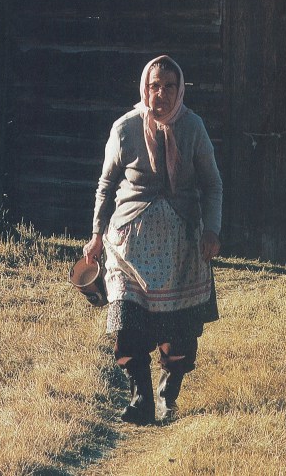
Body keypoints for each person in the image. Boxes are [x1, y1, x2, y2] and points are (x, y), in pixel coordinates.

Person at [83, 55, 222, 425]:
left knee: (179, 335)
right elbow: (106, 186)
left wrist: (212, 231)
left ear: (180, 90)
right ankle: (141, 398)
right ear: (144, 87)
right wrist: (97, 235)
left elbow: (212, 185)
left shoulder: (193, 127)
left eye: (169, 87)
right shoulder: (125, 128)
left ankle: (166, 393)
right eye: (153, 85)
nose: (160, 93)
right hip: (130, 246)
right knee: (128, 322)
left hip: (181, 249)